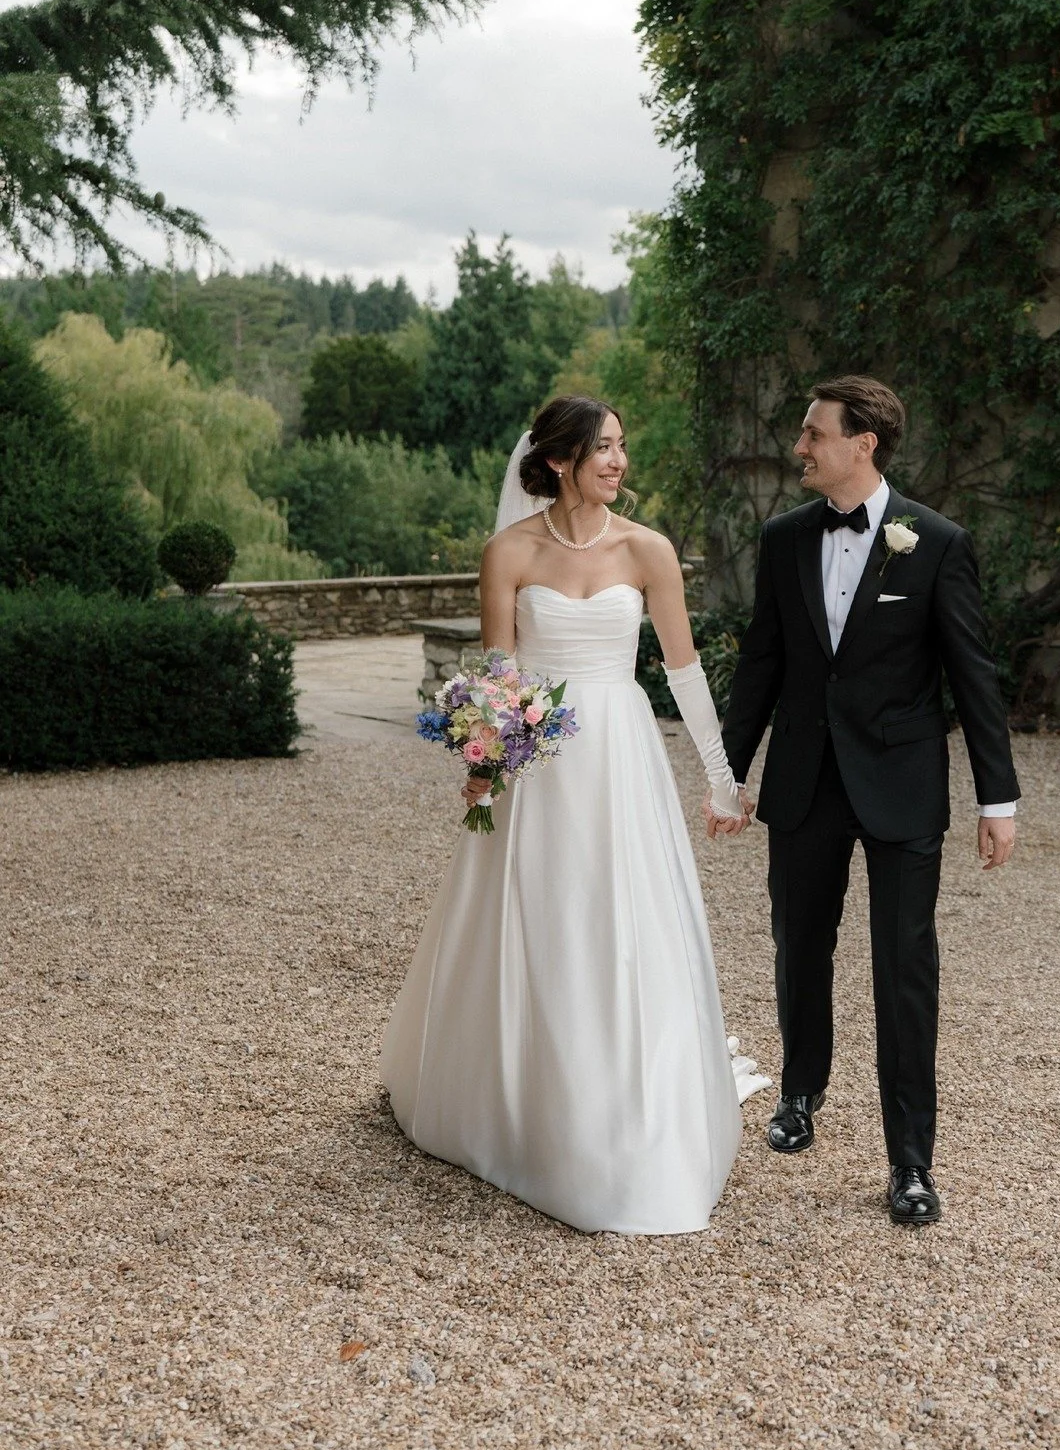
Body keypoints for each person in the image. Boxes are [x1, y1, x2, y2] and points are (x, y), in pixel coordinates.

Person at [381, 395, 767, 1235]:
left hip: (621, 758)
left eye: (622, 446)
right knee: (542, 916)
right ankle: (531, 1106)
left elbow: (685, 673)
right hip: (541, 766)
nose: (618, 461)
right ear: (557, 460)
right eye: (601, 448)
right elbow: (498, 673)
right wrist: (484, 767)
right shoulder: (507, 552)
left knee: (624, 920)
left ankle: (631, 1112)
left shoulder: (649, 549)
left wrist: (721, 779)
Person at [720, 375, 1019, 1227]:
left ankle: (910, 1162)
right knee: (798, 948)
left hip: (902, 786)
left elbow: (974, 679)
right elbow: (761, 667)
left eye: (813, 433)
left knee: (904, 970)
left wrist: (997, 798)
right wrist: (728, 773)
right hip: (806, 781)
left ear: (864, 443)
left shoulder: (936, 542)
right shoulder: (782, 539)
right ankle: (799, 1093)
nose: (800, 446)